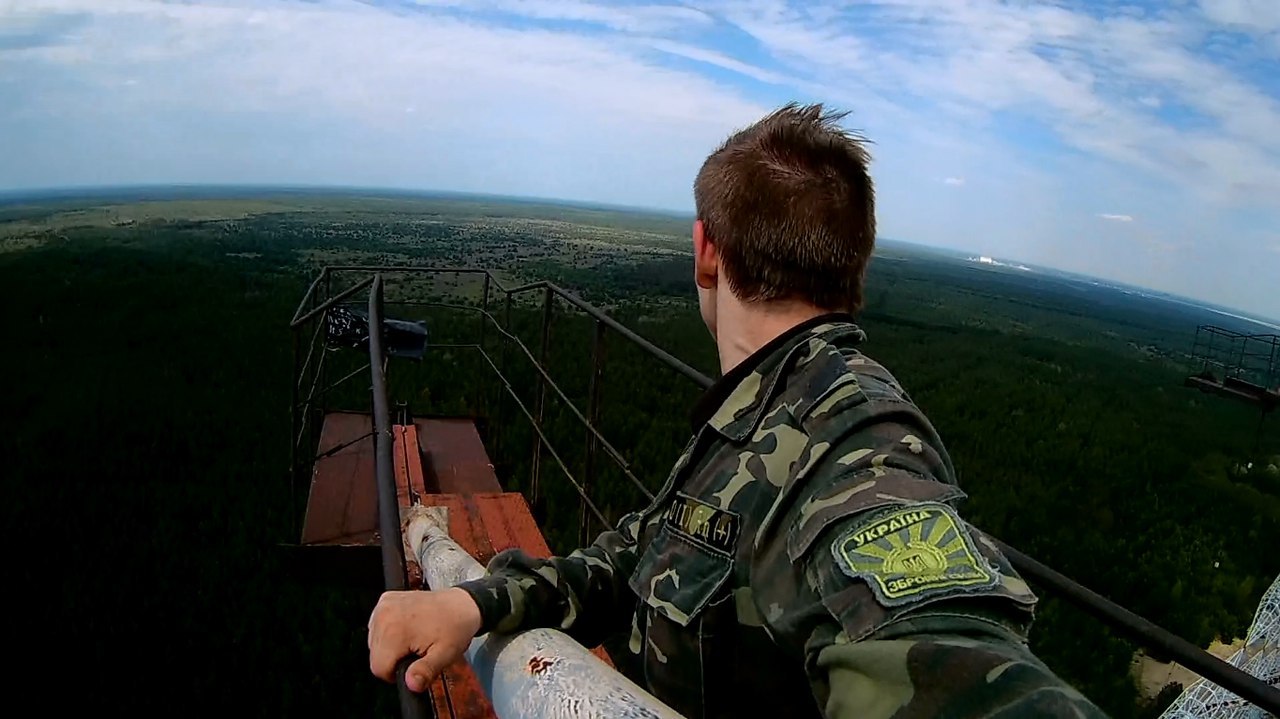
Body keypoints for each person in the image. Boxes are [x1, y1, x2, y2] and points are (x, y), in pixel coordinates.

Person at [368, 103, 1108, 719]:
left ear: (706, 253)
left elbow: (953, 659)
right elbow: (640, 553)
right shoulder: (757, 415)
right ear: (853, 266)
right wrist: (476, 603)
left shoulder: (856, 442)